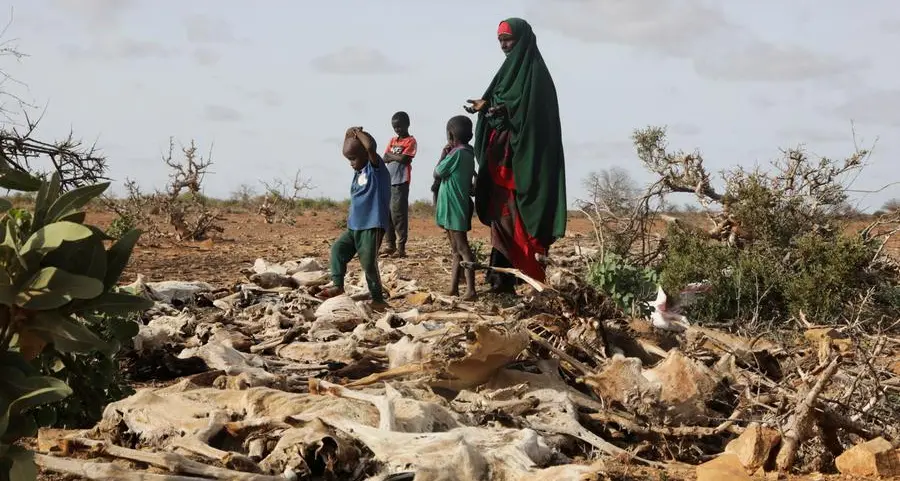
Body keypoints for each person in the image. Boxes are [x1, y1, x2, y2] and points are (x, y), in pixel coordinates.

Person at [464, 17, 566, 294]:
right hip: (502, 159)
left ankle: (525, 276)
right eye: (500, 41)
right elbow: (501, 109)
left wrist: (503, 113)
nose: (504, 46)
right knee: (501, 216)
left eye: (508, 40)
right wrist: (488, 109)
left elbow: (533, 122)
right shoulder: (506, 74)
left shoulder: (538, 78)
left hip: (525, 162)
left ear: (522, 40)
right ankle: (500, 277)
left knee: (520, 217)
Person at [317, 127, 391, 309]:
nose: (351, 163)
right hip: (354, 226)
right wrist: (348, 135)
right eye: (349, 159)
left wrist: (358, 134)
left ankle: (378, 300)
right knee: (337, 250)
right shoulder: (359, 172)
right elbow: (354, 148)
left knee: (368, 263)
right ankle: (337, 286)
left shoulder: (376, 169)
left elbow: (371, 147)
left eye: (353, 158)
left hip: (372, 225)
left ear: (365, 154)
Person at [433, 115, 477, 300]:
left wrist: (443, 155)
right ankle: (454, 288)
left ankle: (471, 290)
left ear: (450, 135)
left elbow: (438, 172)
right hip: (457, 205)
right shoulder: (468, 153)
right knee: (455, 249)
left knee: (462, 248)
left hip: (453, 207)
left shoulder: (456, 154)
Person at [381, 111, 418, 258]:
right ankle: (390, 245)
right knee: (387, 214)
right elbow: (384, 157)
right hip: (388, 181)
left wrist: (392, 156)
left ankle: (401, 248)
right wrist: (393, 157)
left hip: (401, 181)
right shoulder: (392, 140)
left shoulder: (411, 141)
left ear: (407, 125)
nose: (397, 130)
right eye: (395, 127)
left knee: (399, 215)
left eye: (399, 127)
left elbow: (405, 159)